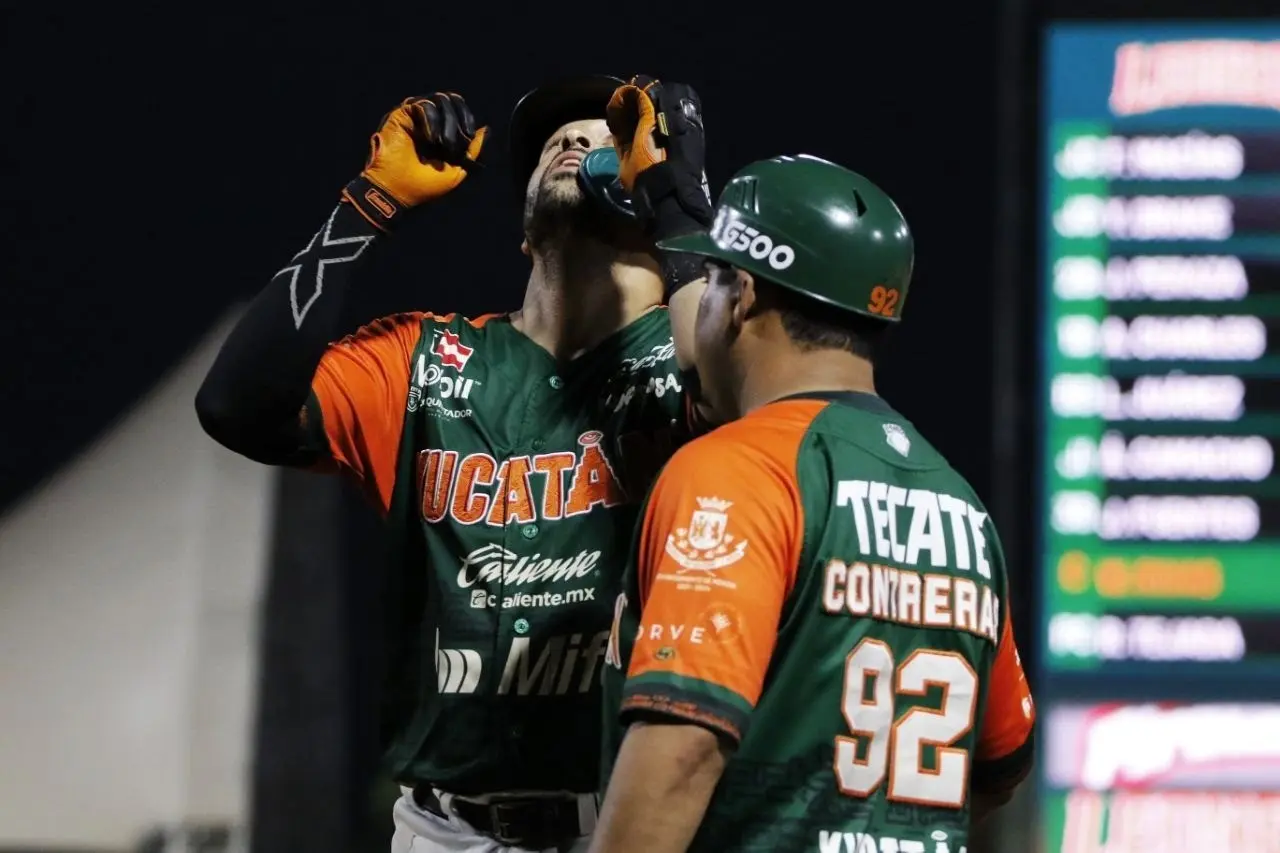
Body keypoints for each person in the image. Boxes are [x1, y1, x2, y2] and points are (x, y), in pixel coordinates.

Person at [195, 74, 715, 852]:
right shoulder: (425, 361)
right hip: (443, 831)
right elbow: (236, 403)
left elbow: (747, 396)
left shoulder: (691, 363)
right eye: (553, 142)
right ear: (522, 231)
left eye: (606, 141)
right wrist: (366, 204)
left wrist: (679, 202)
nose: (572, 142)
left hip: (629, 824)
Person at [591, 154, 1036, 853]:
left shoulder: (736, 470)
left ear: (740, 294)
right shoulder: (962, 507)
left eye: (709, 279)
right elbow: (1003, 760)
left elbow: (682, 752)